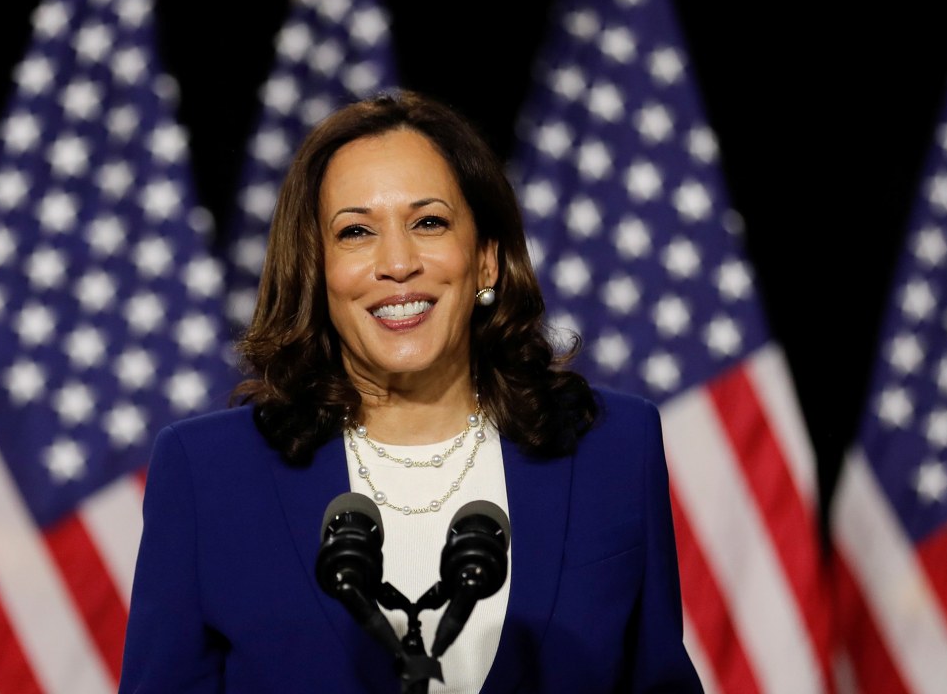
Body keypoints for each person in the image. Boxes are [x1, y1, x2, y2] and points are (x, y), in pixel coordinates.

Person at [119, 89, 704, 693]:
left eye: (429, 222)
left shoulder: (611, 448)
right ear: (316, 272)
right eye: (355, 233)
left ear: (486, 260)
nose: (397, 263)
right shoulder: (208, 472)